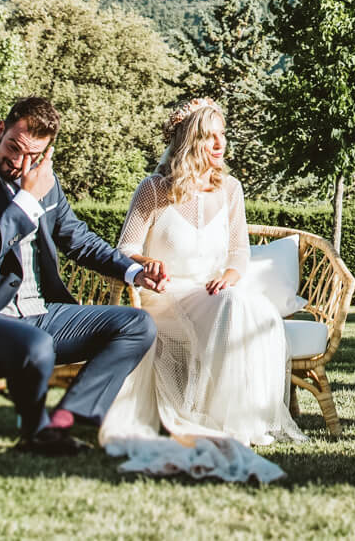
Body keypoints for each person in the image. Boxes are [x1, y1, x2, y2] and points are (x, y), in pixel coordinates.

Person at [0, 97, 166, 455]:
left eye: (32, 156)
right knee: (35, 345)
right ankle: (36, 433)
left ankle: (65, 419)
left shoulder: (45, 183)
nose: (20, 163)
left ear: (46, 152)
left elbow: (77, 239)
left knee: (137, 324)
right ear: (0, 131)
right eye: (13, 148)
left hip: (40, 314)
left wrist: (132, 270)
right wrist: (25, 199)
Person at [100, 98, 302, 476]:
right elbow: (124, 248)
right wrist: (147, 263)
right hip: (164, 295)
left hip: (212, 294)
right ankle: (214, 419)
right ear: (190, 140)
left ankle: (234, 417)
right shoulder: (154, 189)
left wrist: (230, 274)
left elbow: (239, 249)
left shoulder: (230, 189)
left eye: (222, 135)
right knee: (232, 307)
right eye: (210, 137)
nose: (219, 144)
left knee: (246, 308)